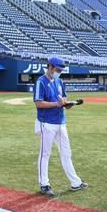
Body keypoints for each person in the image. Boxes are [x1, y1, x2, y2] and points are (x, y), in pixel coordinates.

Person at [33, 57, 87, 197]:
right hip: (46, 123)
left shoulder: (60, 82)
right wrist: (57, 104)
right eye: (57, 69)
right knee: (45, 154)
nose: (59, 72)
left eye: (61, 70)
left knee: (66, 153)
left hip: (61, 122)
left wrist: (69, 104)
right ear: (50, 67)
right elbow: (39, 103)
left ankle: (75, 182)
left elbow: (63, 102)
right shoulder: (41, 82)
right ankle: (44, 184)